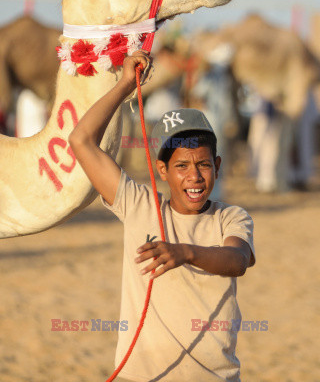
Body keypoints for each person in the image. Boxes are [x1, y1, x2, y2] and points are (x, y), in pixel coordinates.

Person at [69, 50, 256, 382]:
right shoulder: (137, 203)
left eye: (203, 164)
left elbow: (237, 259)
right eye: (181, 166)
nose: (194, 177)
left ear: (217, 166)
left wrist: (185, 252)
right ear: (162, 171)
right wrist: (126, 84)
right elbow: (81, 140)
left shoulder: (231, 217)